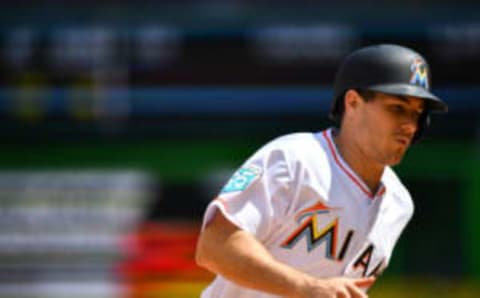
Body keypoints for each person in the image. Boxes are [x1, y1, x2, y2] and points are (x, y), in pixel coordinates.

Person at [195, 44, 448, 298]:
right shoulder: (294, 159)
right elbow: (216, 245)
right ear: (353, 102)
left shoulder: (399, 204)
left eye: (417, 114)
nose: (410, 126)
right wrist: (308, 287)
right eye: (397, 108)